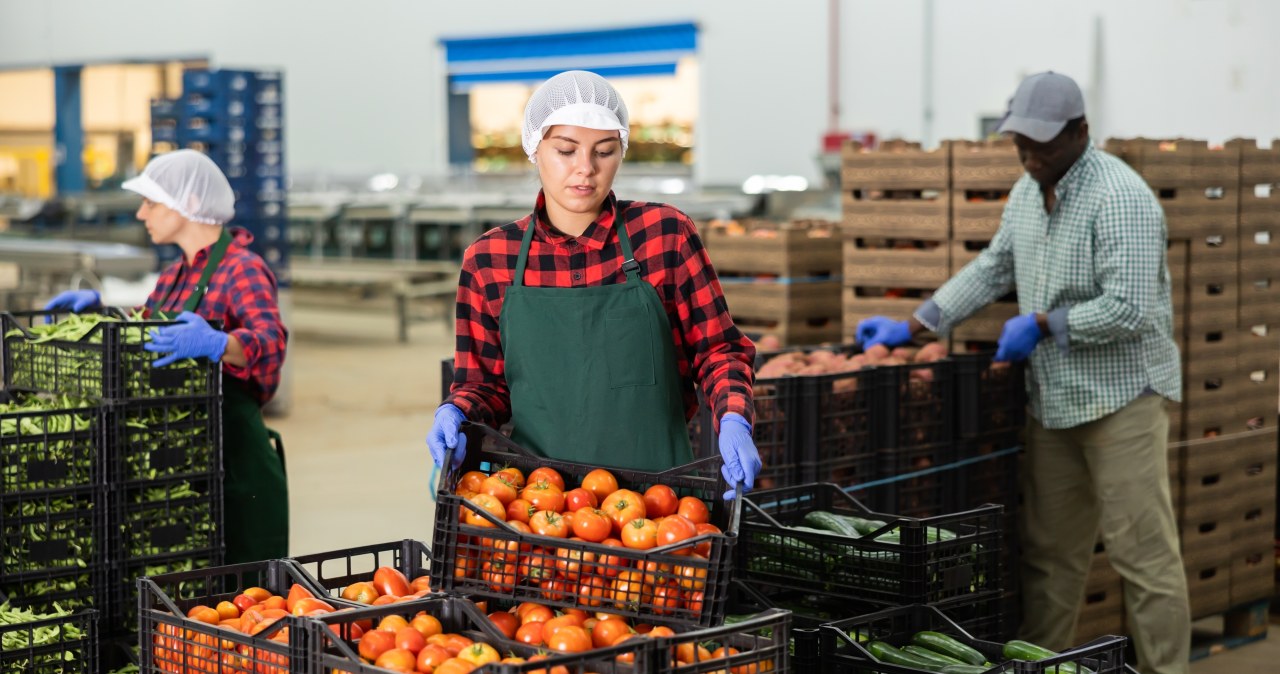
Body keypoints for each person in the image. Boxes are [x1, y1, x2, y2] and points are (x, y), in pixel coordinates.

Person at [857, 72, 1189, 674]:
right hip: (1056, 401)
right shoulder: (1027, 192)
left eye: (1044, 144)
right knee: (1049, 556)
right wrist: (915, 325)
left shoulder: (1121, 197)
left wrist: (1044, 322)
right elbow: (991, 269)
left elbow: (1132, 308)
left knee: (1143, 558)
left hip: (1122, 402)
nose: (1030, 155)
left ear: (1081, 132)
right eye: (1021, 143)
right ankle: (1044, 666)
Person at [427, 70, 761, 498]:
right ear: (534, 149)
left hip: (662, 504)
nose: (585, 169)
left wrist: (734, 418)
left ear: (621, 152)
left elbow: (719, 350)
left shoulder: (664, 235)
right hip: (540, 505)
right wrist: (455, 412)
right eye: (566, 150)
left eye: (604, 151)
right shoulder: (490, 260)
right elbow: (485, 385)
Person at [45, 149, 290, 564]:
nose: (143, 214)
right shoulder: (175, 275)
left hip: (236, 464)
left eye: (151, 202)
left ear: (190, 204)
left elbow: (270, 341)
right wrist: (101, 314)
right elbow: (146, 333)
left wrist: (218, 343)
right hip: (186, 462)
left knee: (245, 600)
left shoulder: (242, 269)